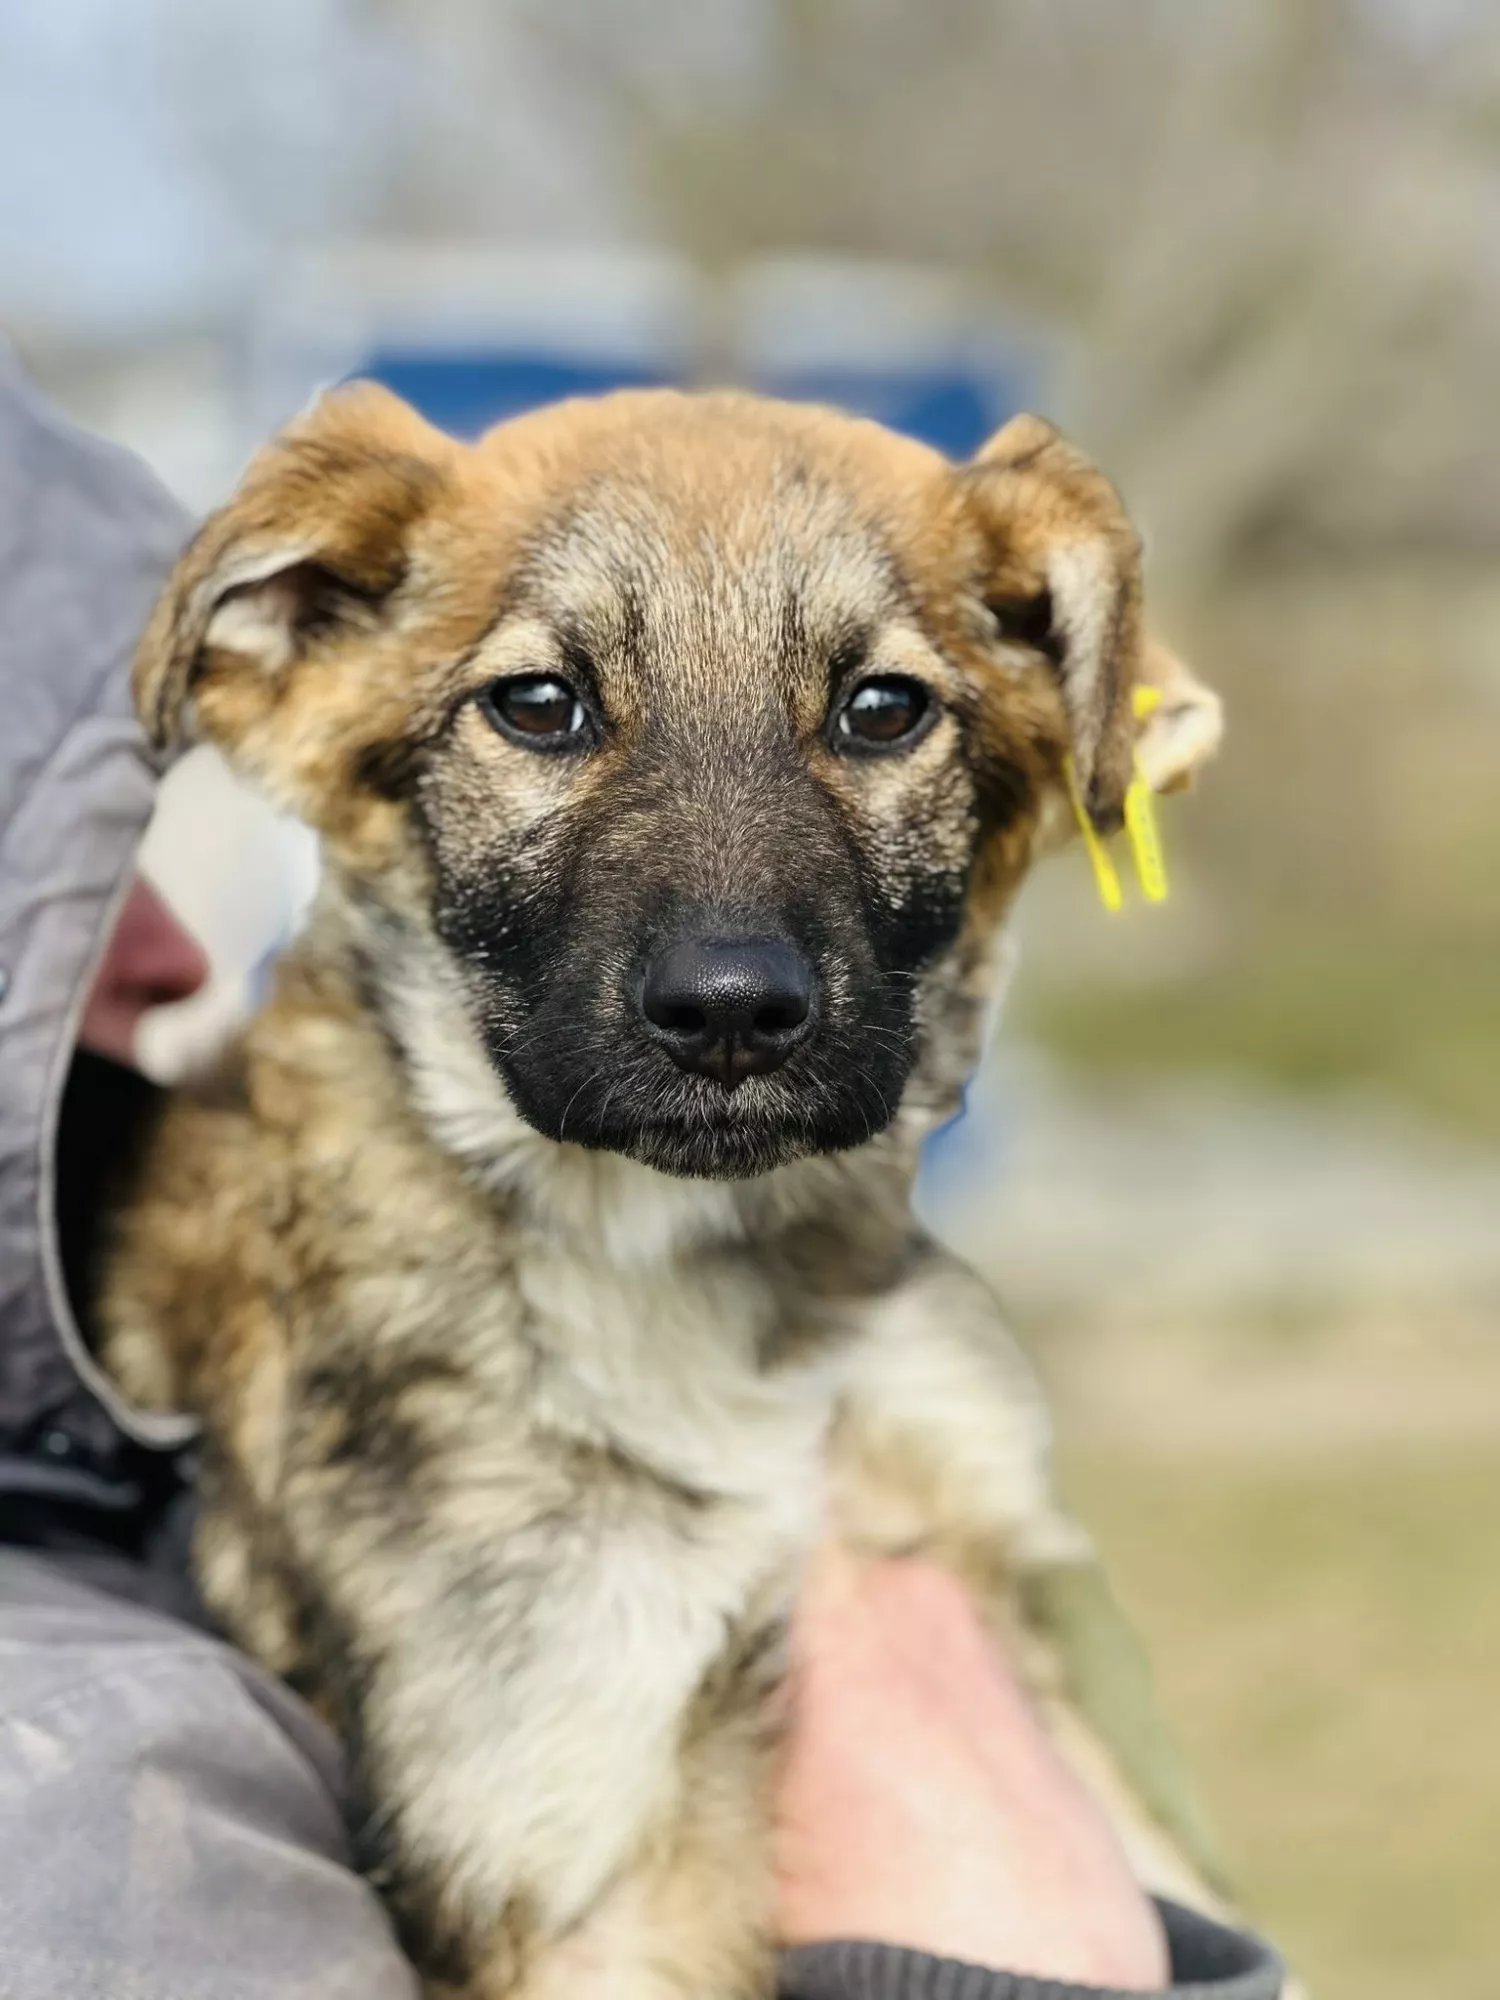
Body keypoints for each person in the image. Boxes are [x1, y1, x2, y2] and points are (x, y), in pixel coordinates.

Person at [0, 340, 1282, 1999]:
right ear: (300, 659)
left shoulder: (912, 1330)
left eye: (880, 710)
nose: (731, 970)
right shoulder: (127, 1728)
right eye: (542, 708)